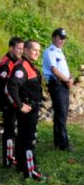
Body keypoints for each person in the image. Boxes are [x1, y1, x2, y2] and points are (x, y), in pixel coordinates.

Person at [6, 40, 44, 180]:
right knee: (29, 140)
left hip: (29, 108)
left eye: (39, 51)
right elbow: (11, 86)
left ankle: (22, 166)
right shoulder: (22, 67)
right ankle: (31, 171)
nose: (37, 53)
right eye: (34, 50)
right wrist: (20, 105)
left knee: (22, 138)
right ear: (26, 50)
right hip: (27, 109)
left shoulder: (27, 65)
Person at [43, 28, 73, 151]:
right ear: (54, 37)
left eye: (63, 38)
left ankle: (58, 141)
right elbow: (54, 70)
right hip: (57, 84)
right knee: (61, 113)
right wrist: (67, 80)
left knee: (63, 113)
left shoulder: (59, 52)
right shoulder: (50, 51)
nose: (62, 40)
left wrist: (70, 79)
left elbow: (64, 69)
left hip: (63, 84)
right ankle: (63, 143)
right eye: (60, 38)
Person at [0, 37, 24, 168]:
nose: (21, 51)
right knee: (9, 131)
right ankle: (8, 160)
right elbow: (5, 88)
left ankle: (14, 156)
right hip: (9, 103)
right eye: (19, 48)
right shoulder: (5, 64)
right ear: (11, 48)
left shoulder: (17, 60)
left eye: (22, 48)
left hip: (15, 102)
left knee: (14, 131)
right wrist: (15, 104)